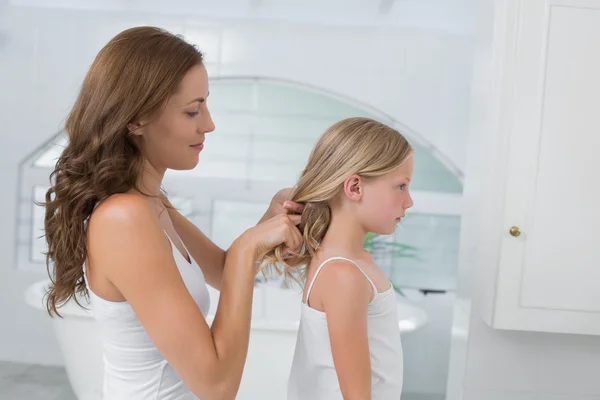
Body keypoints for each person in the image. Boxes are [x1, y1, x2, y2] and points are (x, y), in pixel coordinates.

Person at [42, 26, 304, 400]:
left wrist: (268, 219)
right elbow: (218, 385)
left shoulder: (150, 202)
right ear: (136, 121)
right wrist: (249, 247)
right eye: (192, 111)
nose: (209, 124)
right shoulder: (124, 218)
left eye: (206, 105)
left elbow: (222, 270)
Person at [262, 117, 414, 399]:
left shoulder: (349, 263)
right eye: (401, 186)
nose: (409, 201)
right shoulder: (344, 275)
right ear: (355, 187)